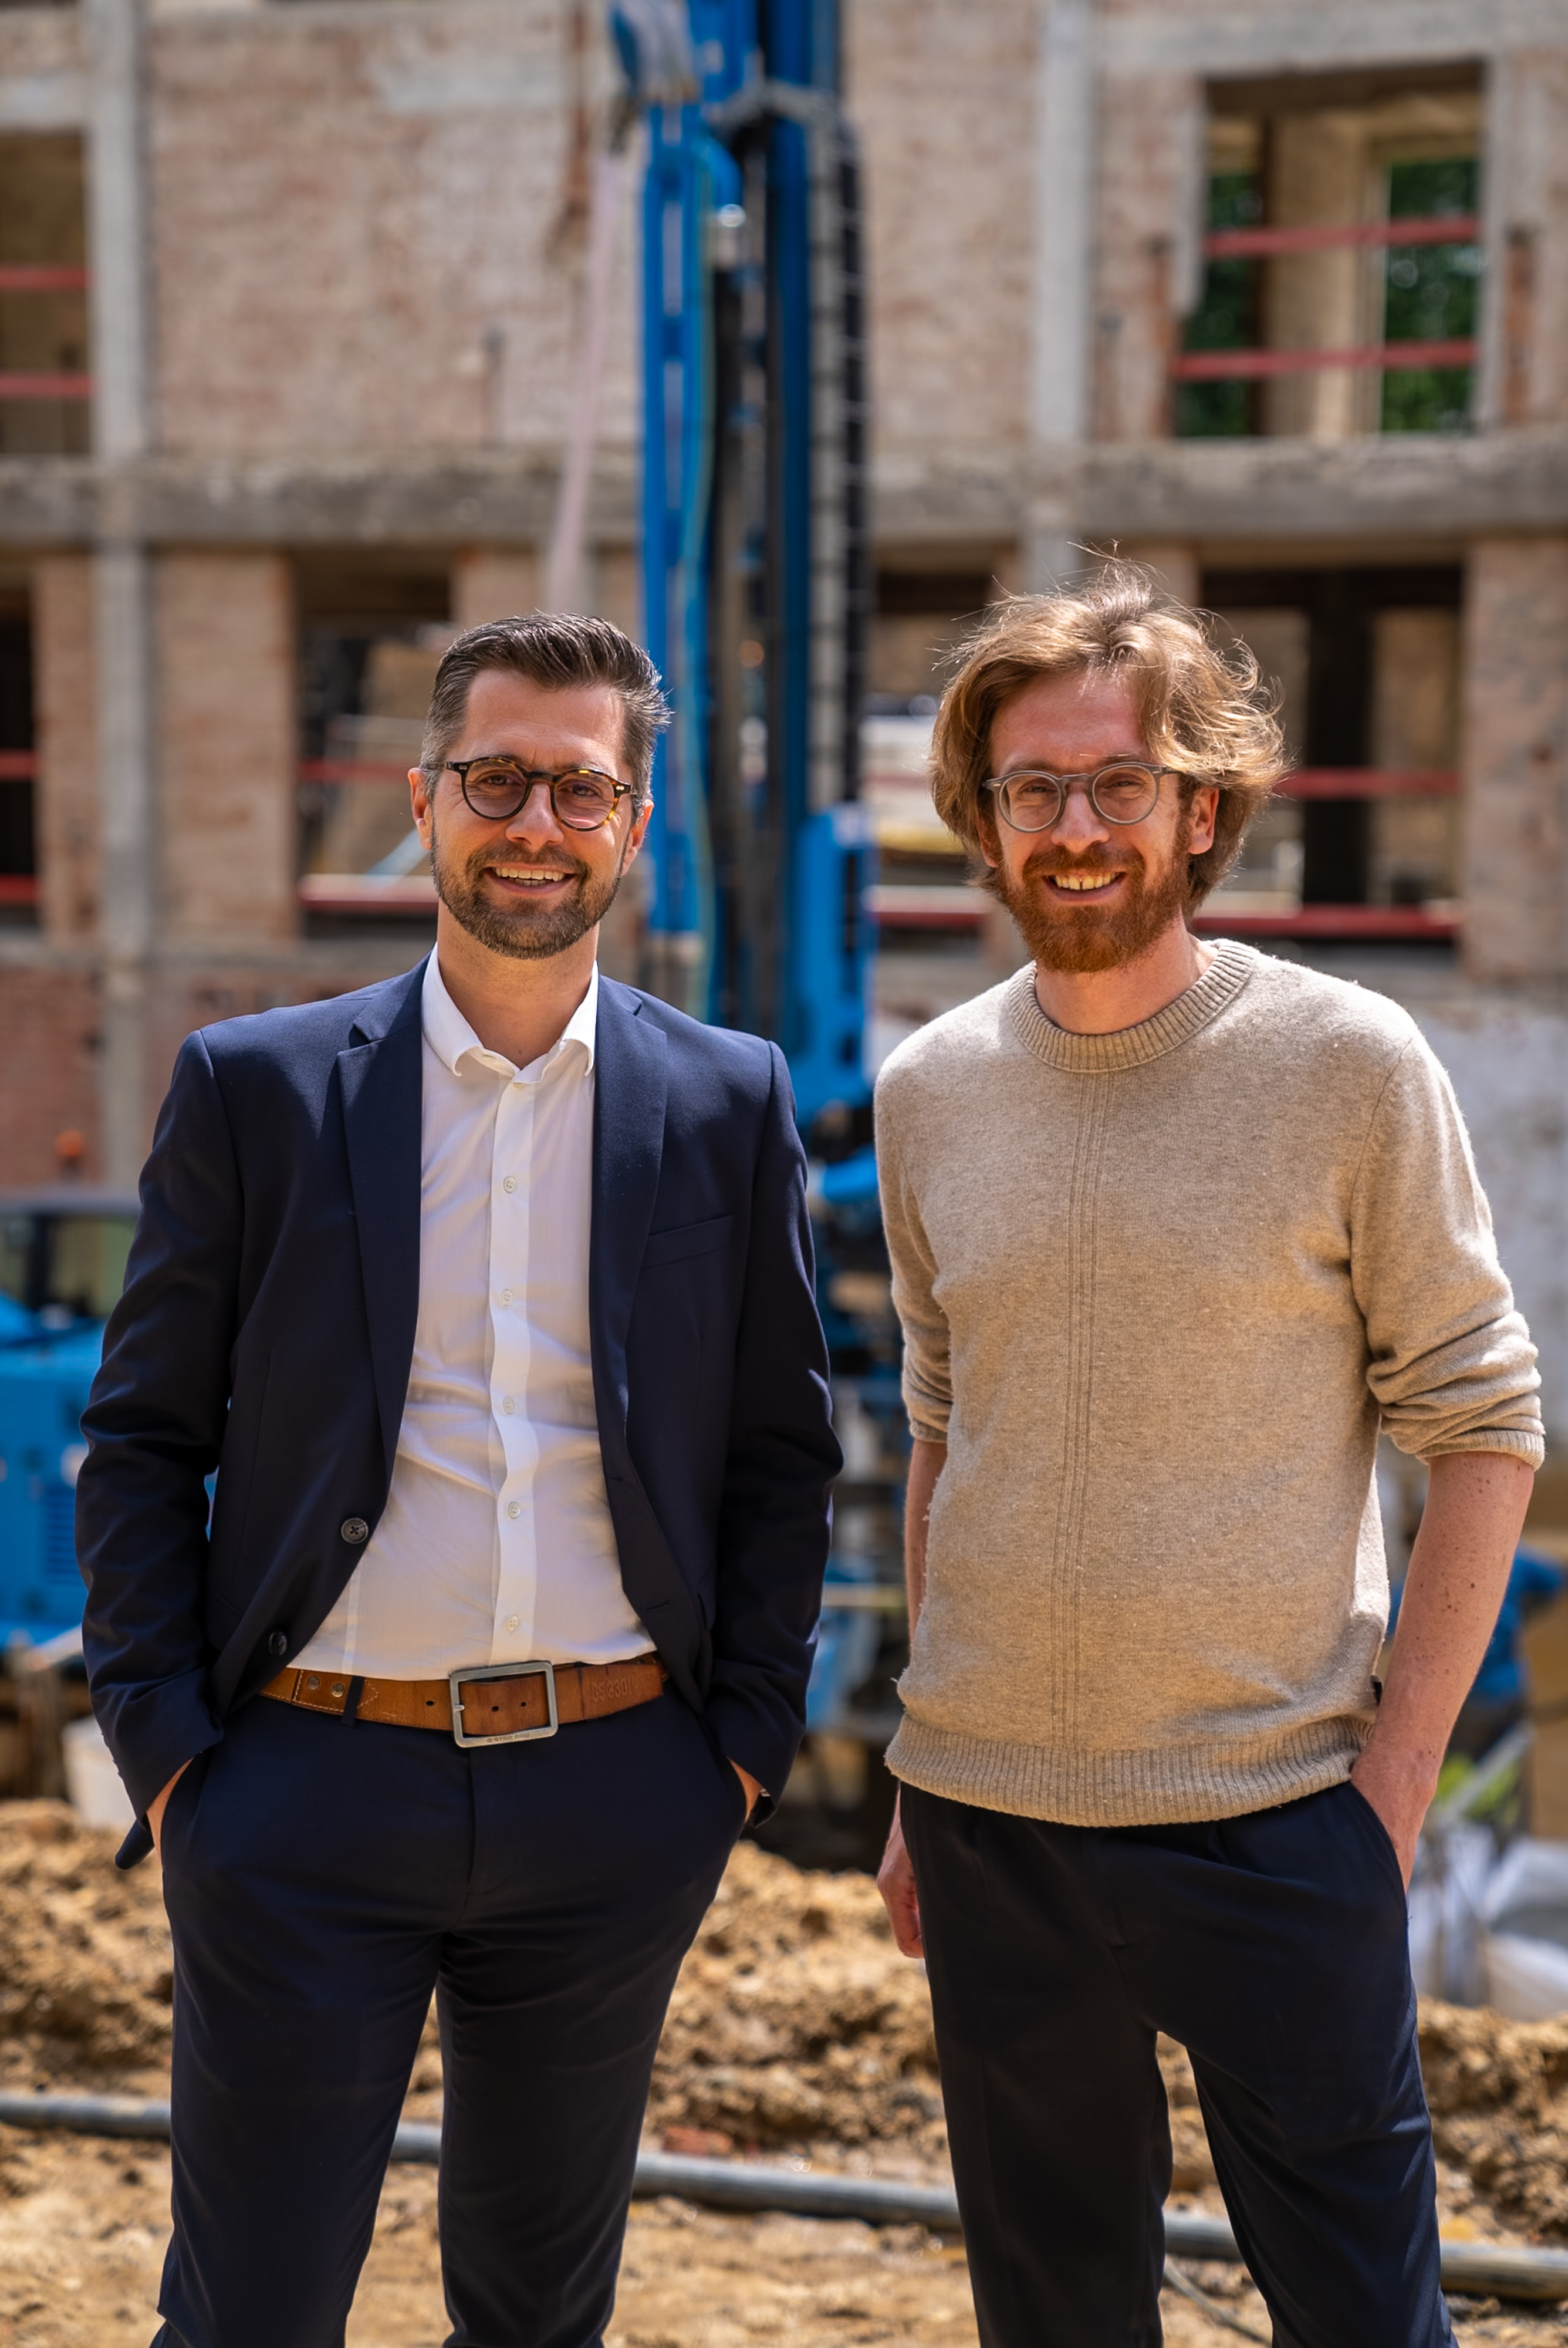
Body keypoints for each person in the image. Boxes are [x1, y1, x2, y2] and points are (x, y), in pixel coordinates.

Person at [76, 611, 839, 2348]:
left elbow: (780, 1453)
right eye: (496, 781)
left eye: (581, 788)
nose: (536, 825)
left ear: (635, 822)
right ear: (422, 800)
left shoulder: (728, 1101)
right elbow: (141, 1437)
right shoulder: (258, 1090)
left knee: (539, 2318)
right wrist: (171, 1754)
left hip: (615, 1796)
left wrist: (735, 1754)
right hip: (303, 1787)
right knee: (251, 2313)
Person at [872, 566, 1543, 2348]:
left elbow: (1486, 1427)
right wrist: (923, 1766)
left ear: (1199, 810)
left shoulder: (1348, 1063)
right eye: (1034, 788)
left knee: (1364, 2318)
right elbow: (945, 1422)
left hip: (1275, 1817)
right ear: (985, 819)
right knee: (1055, 2319)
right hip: (992, 1821)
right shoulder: (929, 1088)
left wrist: (1389, 1800)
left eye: (1121, 782)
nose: (1077, 828)